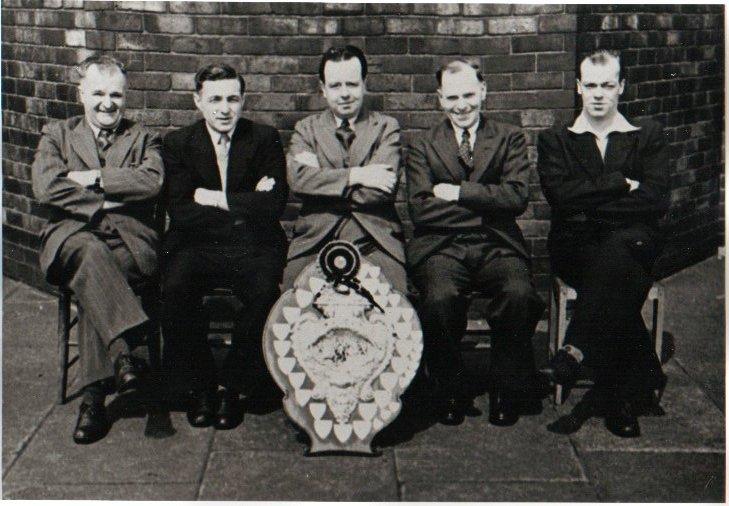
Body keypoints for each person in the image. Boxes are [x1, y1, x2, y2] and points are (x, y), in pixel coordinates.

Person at [31, 55, 164, 444]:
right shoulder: (58, 134)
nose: (108, 103)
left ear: (126, 97)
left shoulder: (143, 137)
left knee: (96, 273)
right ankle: (124, 357)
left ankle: (93, 400)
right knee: (90, 254)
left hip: (128, 242)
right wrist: (106, 201)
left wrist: (91, 178)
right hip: (70, 237)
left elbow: (151, 181)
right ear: (81, 94)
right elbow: (45, 186)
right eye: (98, 94)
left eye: (116, 95)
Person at [537, 50, 670, 438]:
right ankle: (632, 387)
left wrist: (592, 202)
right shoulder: (556, 140)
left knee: (616, 255)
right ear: (579, 87)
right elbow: (561, 197)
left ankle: (577, 348)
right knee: (616, 273)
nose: (598, 94)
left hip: (633, 244)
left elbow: (658, 199)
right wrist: (620, 184)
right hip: (576, 249)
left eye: (607, 85)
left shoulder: (646, 135)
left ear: (621, 87)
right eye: (590, 85)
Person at [406, 59, 545, 427]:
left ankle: (505, 386)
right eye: (452, 97)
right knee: (439, 300)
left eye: (469, 94)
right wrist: (487, 204)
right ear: (439, 99)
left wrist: (457, 193)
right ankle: (450, 386)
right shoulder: (422, 145)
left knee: (519, 294)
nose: (462, 105)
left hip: (497, 245)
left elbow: (516, 198)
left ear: (483, 91)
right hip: (441, 248)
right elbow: (421, 211)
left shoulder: (510, 137)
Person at [162, 63, 288, 430]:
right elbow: (182, 211)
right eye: (214, 99)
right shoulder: (177, 144)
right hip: (195, 245)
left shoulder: (264, 138)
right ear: (197, 101)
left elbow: (274, 204)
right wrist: (244, 203)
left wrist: (212, 198)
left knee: (265, 292)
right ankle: (201, 386)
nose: (224, 108)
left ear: (243, 100)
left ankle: (232, 385)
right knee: (174, 288)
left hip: (252, 246)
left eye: (232, 99)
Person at [283, 45, 406, 292]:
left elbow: (381, 191)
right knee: (291, 298)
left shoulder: (385, 127)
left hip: (373, 238)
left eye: (351, 84)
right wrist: (358, 175)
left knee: (396, 298)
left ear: (364, 84)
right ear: (323, 89)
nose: (344, 93)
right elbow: (299, 181)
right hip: (315, 239)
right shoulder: (306, 129)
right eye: (335, 86)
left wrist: (322, 184)